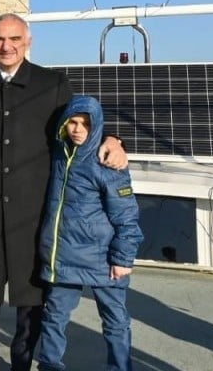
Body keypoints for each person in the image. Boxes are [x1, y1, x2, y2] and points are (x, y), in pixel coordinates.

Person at [0, 12, 126, 371]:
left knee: (31, 298)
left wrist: (114, 138)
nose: (7, 46)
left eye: (14, 39)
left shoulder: (52, 84)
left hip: (35, 211)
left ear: (28, 42)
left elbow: (82, 124)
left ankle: (21, 364)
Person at [36, 96, 142, 371]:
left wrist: (123, 259)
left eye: (85, 123)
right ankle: (49, 366)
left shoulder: (107, 163)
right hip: (64, 259)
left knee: (115, 322)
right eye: (73, 121)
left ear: (96, 127)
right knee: (53, 318)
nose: (78, 129)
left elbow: (127, 216)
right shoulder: (59, 154)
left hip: (104, 261)